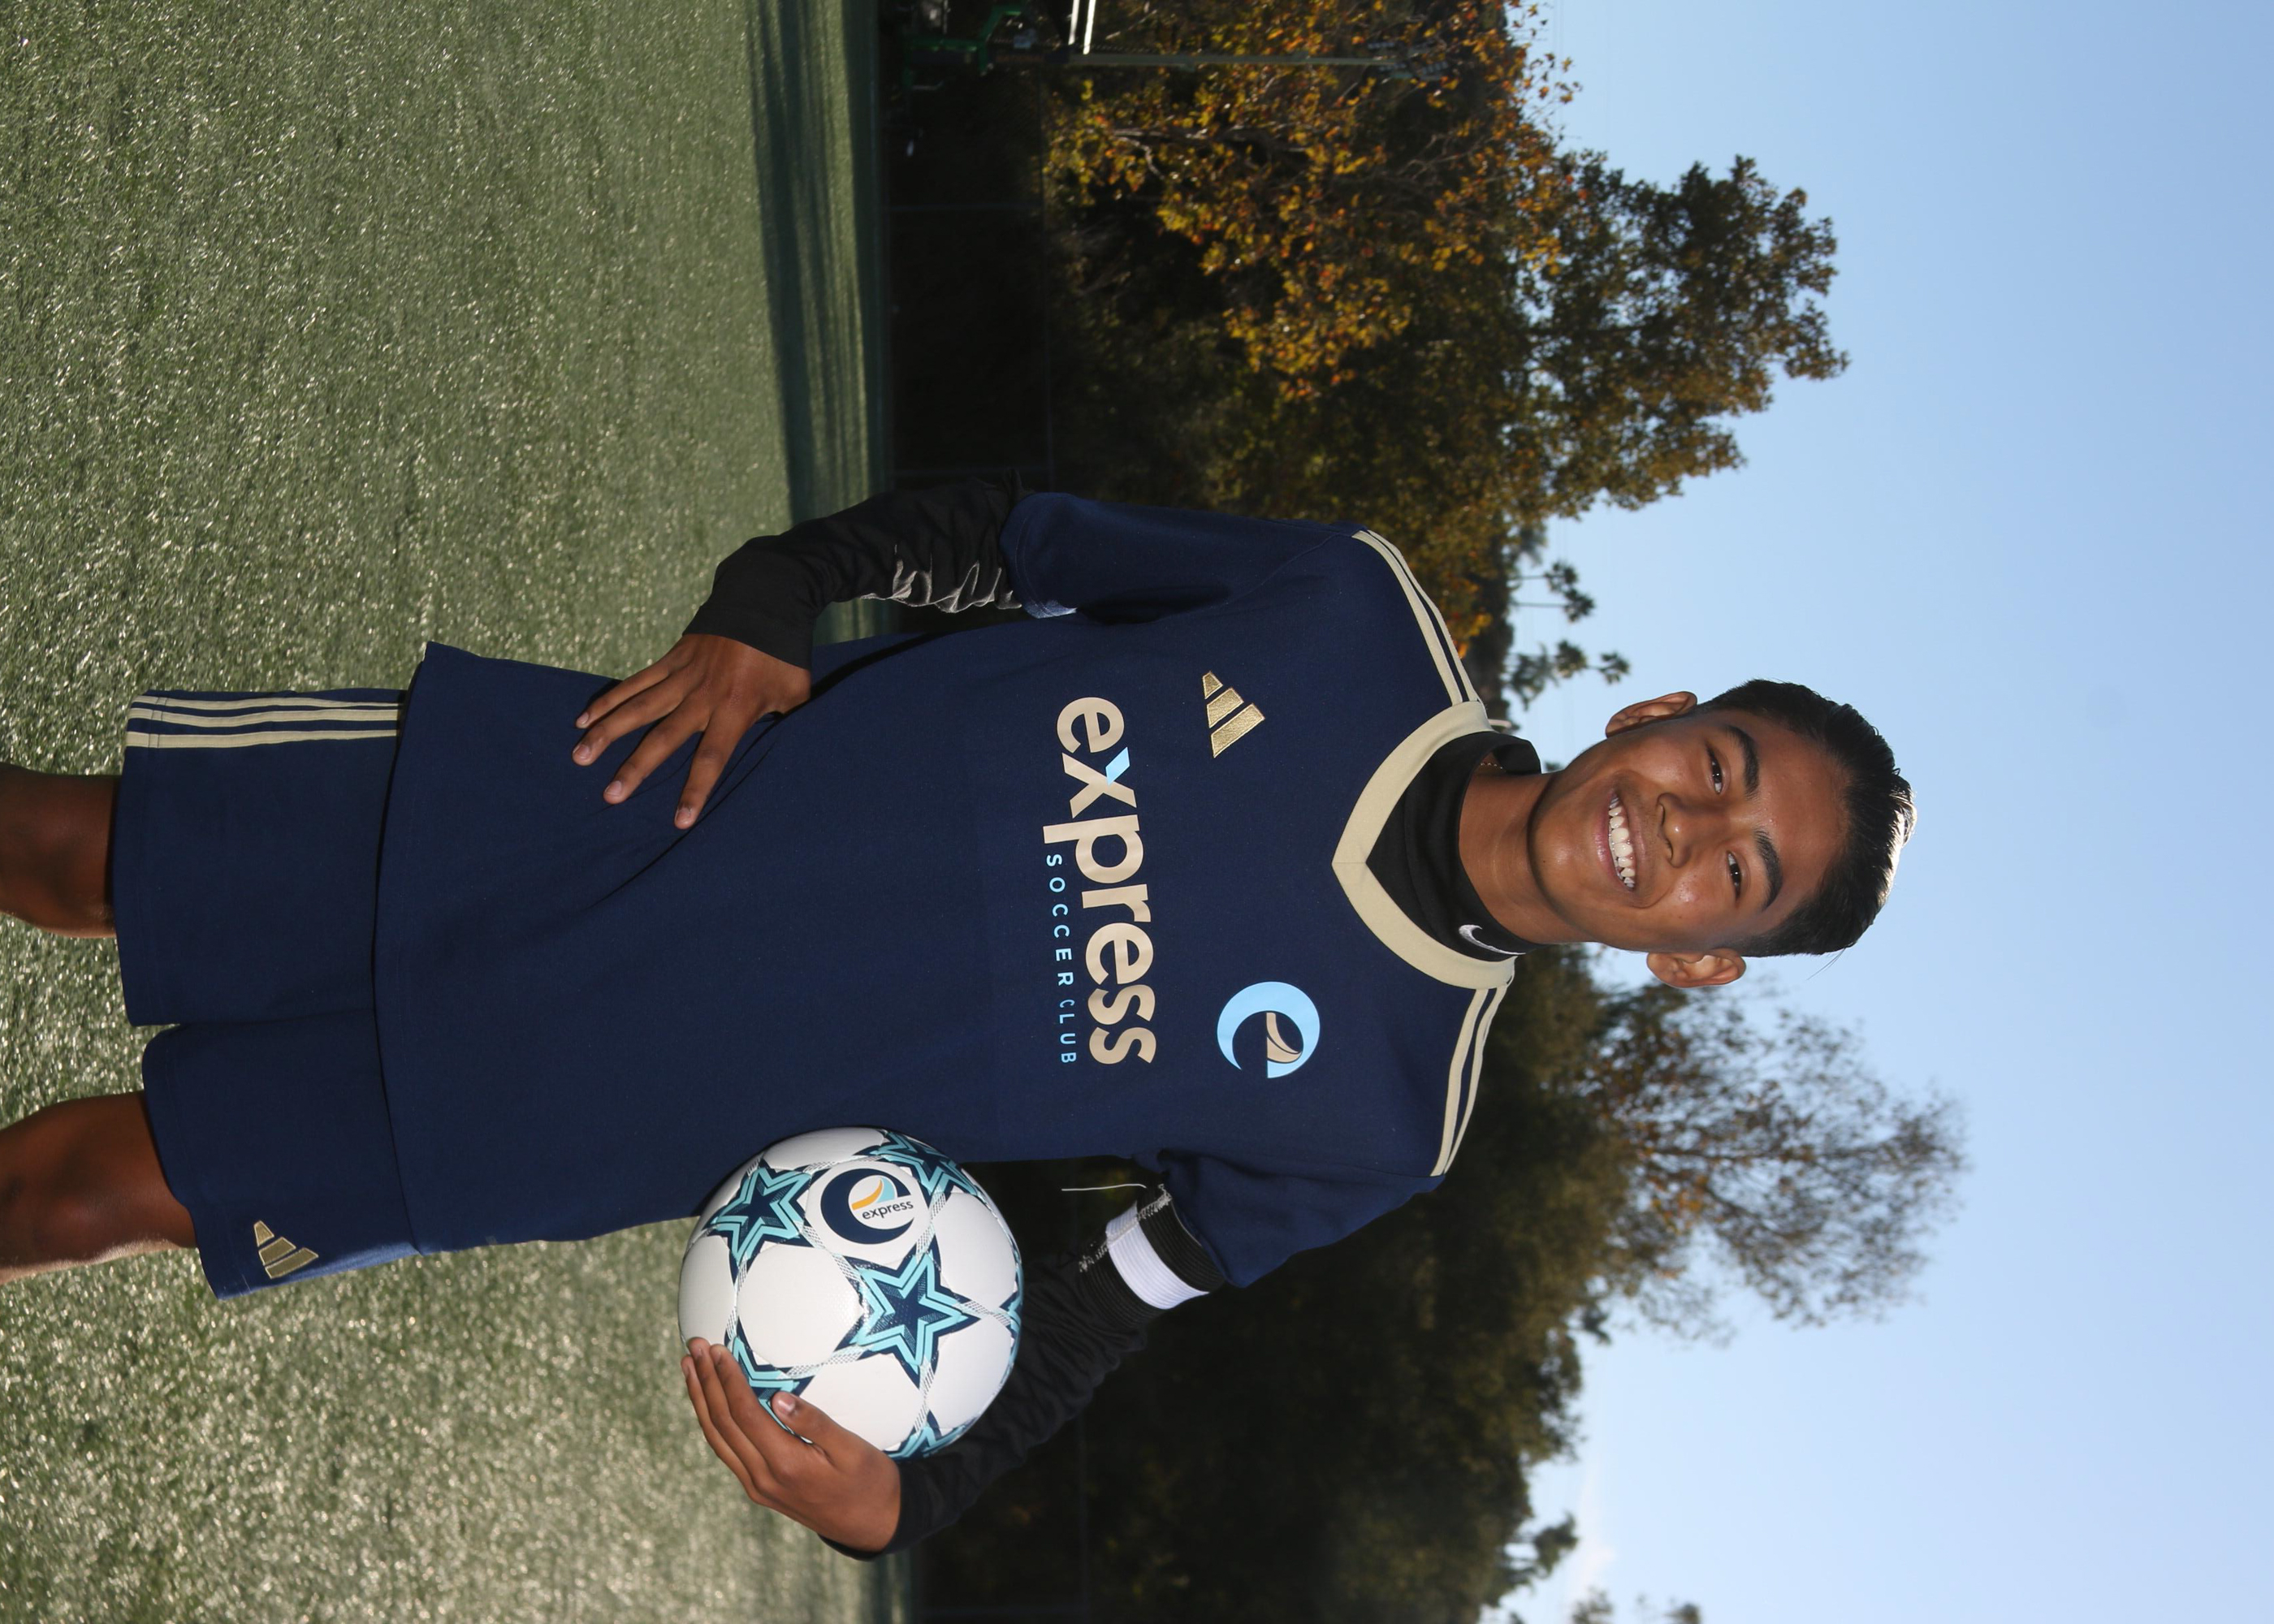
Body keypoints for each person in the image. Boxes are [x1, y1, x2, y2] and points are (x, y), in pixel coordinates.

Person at [0, 480, 1913, 1556]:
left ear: (1702, 959)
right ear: (1655, 713)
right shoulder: (1348, 614)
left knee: (96, 1195)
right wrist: (774, 597)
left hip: (597, 1104)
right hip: (602, 801)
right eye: (1715, 767)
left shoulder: (1383, 1121)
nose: (1684, 830)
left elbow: (1099, 1306)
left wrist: (900, 1497)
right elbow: (1010, 539)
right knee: (70, 854)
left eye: (1735, 873)